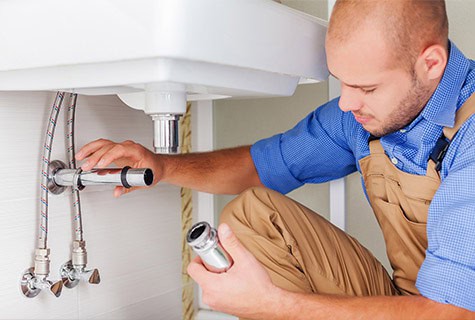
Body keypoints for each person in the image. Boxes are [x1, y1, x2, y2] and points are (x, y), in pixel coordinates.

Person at [76, 0, 475, 318]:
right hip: (408, 302)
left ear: (431, 64)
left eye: (366, 87)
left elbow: (453, 312)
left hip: (452, 311)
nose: (348, 103)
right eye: (343, 82)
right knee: (255, 214)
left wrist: (275, 305)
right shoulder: (360, 114)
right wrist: (163, 167)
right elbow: (262, 166)